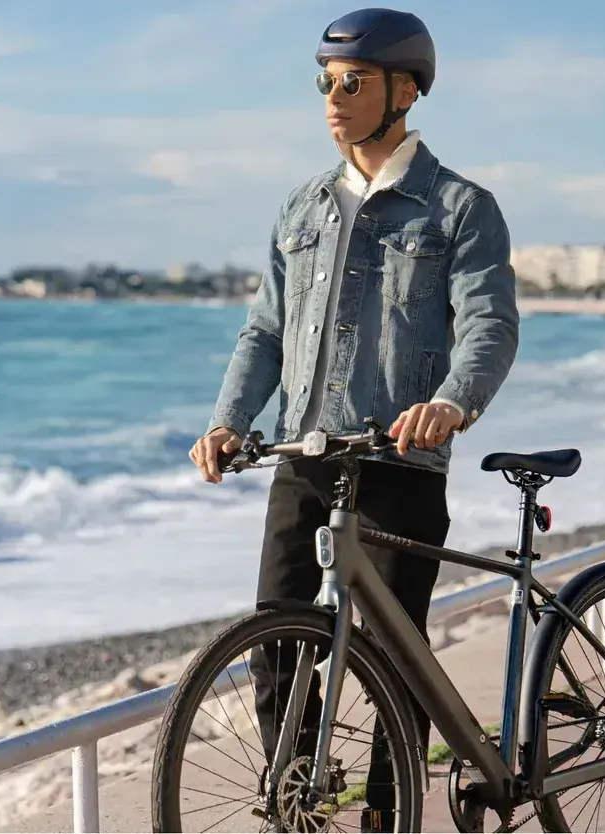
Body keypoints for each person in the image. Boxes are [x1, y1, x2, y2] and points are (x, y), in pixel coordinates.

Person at [189, 7, 520, 829]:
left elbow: (489, 323)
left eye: (352, 83)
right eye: (324, 84)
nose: (333, 99)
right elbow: (264, 332)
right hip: (305, 453)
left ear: (404, 91)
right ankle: (300, 807)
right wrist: (229, 420)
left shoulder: (457, 208)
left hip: (400, 459)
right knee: (277, 641)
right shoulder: (301, 208)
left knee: (398, 654)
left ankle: (387, 813)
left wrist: (452, 403)